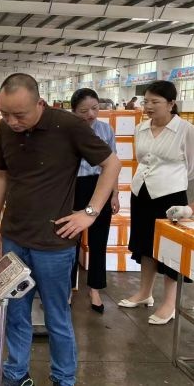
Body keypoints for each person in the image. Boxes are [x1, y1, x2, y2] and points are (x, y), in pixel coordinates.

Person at [0, 73, 120, 386]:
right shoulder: (5, 129)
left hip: (55, 244)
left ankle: (63, 378)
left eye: (20, 114)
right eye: (5, 113)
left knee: (57, 316)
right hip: (14, 239)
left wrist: (90, 212)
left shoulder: (68, 126)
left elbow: (112, 164)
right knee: (15, 313)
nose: (12, 121)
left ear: (39, 104)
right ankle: (16, 374)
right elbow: (1, 175)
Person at [119, 81, 194, 325]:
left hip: (171, 196)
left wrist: (189, 206)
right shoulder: (141, 128)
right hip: (141, 193)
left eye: (155, 102)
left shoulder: (186, 130)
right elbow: (141, 159)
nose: (149, 106)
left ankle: (169, 303)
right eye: (146, 101)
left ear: (171, 104)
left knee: (171, 250)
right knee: (144, 244)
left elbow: (192, 169)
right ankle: (145, 292)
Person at [69, 88, 120, 314]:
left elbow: (113, 164)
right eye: (84, 111)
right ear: (73, 111)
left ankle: (95, 289)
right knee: (70, 240)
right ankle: (68, 287)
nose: (90, 114)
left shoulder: (105, 130)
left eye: (95, 108)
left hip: (101, 186)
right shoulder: (67, 130)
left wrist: (115, 193)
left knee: (99, 240)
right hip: (74, 187)